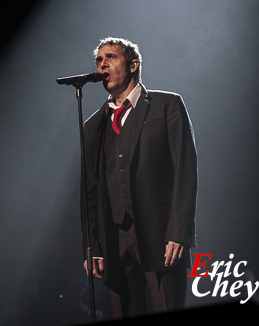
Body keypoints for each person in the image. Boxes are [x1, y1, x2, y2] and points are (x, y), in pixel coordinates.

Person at [80, 37, 198, 318]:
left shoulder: (166, 106)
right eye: (99, 60)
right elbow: (89, 191)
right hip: (114, 240)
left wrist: (178, 232)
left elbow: (185, 170)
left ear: (133, 65)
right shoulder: (94, 126)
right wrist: (92, 246)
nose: (102, 64)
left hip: (160, 236)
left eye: (111, 57)